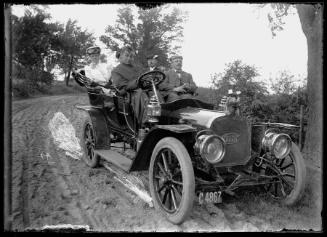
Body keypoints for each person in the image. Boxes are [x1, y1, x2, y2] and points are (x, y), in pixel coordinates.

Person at [111, 46, 148, 126]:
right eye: (127, 55)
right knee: (140, 93)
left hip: (140, 89)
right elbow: (121, 85)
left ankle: (161, 118)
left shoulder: (136, 68)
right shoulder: (116, 70)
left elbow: (143, 78)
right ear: (121, 56)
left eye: (131, 56)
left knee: (155, 93)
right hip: (127, 94)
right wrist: (137, 82)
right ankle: (144, 122)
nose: (129, 58)